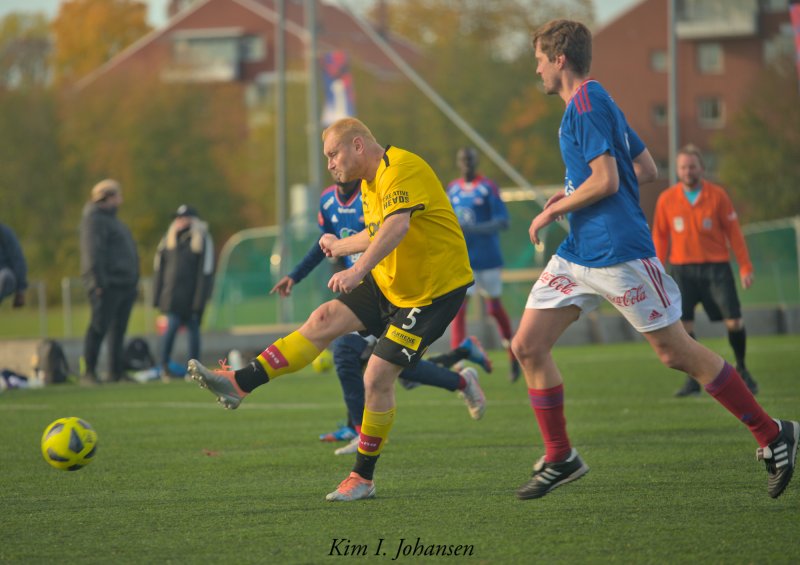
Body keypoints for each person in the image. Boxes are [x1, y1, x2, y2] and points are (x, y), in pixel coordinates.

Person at [510, 19, 797, 501]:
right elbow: (646, 168)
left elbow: (608, 181)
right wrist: (581, 200)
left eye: (539, 58)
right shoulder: (598, 99)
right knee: (527, 346)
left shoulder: (584, 105)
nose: (535, 68)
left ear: (559, 59)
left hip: (619, 254)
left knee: (675, 352)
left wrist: (556, 207)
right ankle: (560, 456)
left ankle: (774, 434)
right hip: (578, 253)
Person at [189, 117, 474, 501]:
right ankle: (241, 383)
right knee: (322, 319)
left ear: (358, 145)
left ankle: (363, 478)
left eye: (332, 154)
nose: (330, 165)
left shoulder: (400, 168)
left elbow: (397, 228)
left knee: (376, 377)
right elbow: (376, 231)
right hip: (392, 284)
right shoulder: (371, 184)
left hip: (432, 295)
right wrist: (341, 247)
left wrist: (357, 269)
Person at [270, 178, 488, 456]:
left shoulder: (376, 193)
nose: (334, 163)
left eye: (337, 154)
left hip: (390, 288)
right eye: (330, 155)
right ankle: (460, 381)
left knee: (362, 359)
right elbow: (324, 243)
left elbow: (393, 232)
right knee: (384, 366)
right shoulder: (327, 200)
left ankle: (359, 431)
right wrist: (294, 275)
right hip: (363, 291)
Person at [652, 144, 758, 397]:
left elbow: (734, 233)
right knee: (683, 329)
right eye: (683, 167)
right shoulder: (667, 199)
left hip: (716, 269)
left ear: (702, 168)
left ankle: (742, 368)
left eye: (692, 166)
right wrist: (656, 270)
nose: (688, 171)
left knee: (734, 321)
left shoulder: (718, 195)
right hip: (682, 271)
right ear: (677, 170)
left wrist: (745, 266)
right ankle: (693, 381)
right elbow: (660, 237)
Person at [446, 147, 517, 381]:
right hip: (463, 260)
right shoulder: (452, 189)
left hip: (488, 259)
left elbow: (503, 221)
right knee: (459, 309)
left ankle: (512, 353)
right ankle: (459, 366)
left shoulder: (488, 187)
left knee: (494, 309)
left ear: (475, 161)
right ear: (458, 162)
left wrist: (474, 229)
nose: (466, 162)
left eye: (470, 159)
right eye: (463, 158)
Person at [79, 179, 140, 384]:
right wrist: (98, 283)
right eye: (117, 196)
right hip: (107, 285)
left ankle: (116, 371)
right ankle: (89, 372)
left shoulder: (112, 221)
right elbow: (93, 253)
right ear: (108, 197)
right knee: (98, 327)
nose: (120, 200)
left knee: (118, 330)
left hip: (124, 284)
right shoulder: (94, 219)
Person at [153, 204, 215, 380]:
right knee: (170, 330)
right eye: (179, 218)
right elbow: (159, 269)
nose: (181, 221)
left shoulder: (202, 239)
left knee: (193, 332)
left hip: (192, 298)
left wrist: (199, 300)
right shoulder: (168, 240)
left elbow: (206, 272)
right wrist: (158, 297)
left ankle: (194, 369)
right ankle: (163, 366)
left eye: (185, 217)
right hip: (172, 298)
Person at [0, 223, 27, 308]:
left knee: (4, 276)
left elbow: (18, 260)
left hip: (5, 276)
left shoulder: (4, 233)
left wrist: (20, 289)